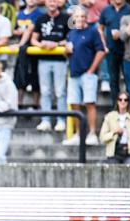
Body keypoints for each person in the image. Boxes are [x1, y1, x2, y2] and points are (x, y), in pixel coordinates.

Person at [62, 6, 106, 146]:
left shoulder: (93, 31)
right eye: (77, 16)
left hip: (87, 74)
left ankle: (92, 133)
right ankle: (78, 134)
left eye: (82, 16)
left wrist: (91, 70)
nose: (80, 19)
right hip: (74, 73)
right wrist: (66, 51)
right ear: (73, 19)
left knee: (89, 103)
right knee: (74, 104)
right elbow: (67, 53)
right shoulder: (71, 33)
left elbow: (101, 51)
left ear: (86, 17)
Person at [30, 0, 70, 133]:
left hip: (60, 60)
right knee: (45, 91)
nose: (52, 3)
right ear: (45, 3)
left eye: (55, 1)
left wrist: (57, 44)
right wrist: (41, 45)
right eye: (49, 1)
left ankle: (61, 120)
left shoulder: (66, 18)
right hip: (43, 60)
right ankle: (45, 120)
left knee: (60, 92)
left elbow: (71, 38)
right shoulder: (40, 18)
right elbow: (33, 39)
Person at [99, 0, 130, 107]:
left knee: (129, 82)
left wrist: (122, 33)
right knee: (113, 81)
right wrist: (104, 45)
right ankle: (115, 109)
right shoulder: (106, 10)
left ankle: (129, 109)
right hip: (111, 51)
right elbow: (100, 28)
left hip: (127, 51)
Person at [11, 0, 42, 109]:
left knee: (34, 77)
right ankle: (19, 104)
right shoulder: (19, 14)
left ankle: (35, 104)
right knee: (19, 76)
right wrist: (18, 32)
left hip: (34, 49)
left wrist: (20, 43)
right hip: (22, 51)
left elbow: (30, 30)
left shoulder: (39, 13)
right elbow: (13, 30)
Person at [99, 92, 130, 164]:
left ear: (128, 102)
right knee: (112, 171)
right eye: (120, 99)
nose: (123, 101)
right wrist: (114, 132)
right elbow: (102, 137)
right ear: (117, 101)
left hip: (129, 152)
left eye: (125, 100)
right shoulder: (109, 116)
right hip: (114, 152)